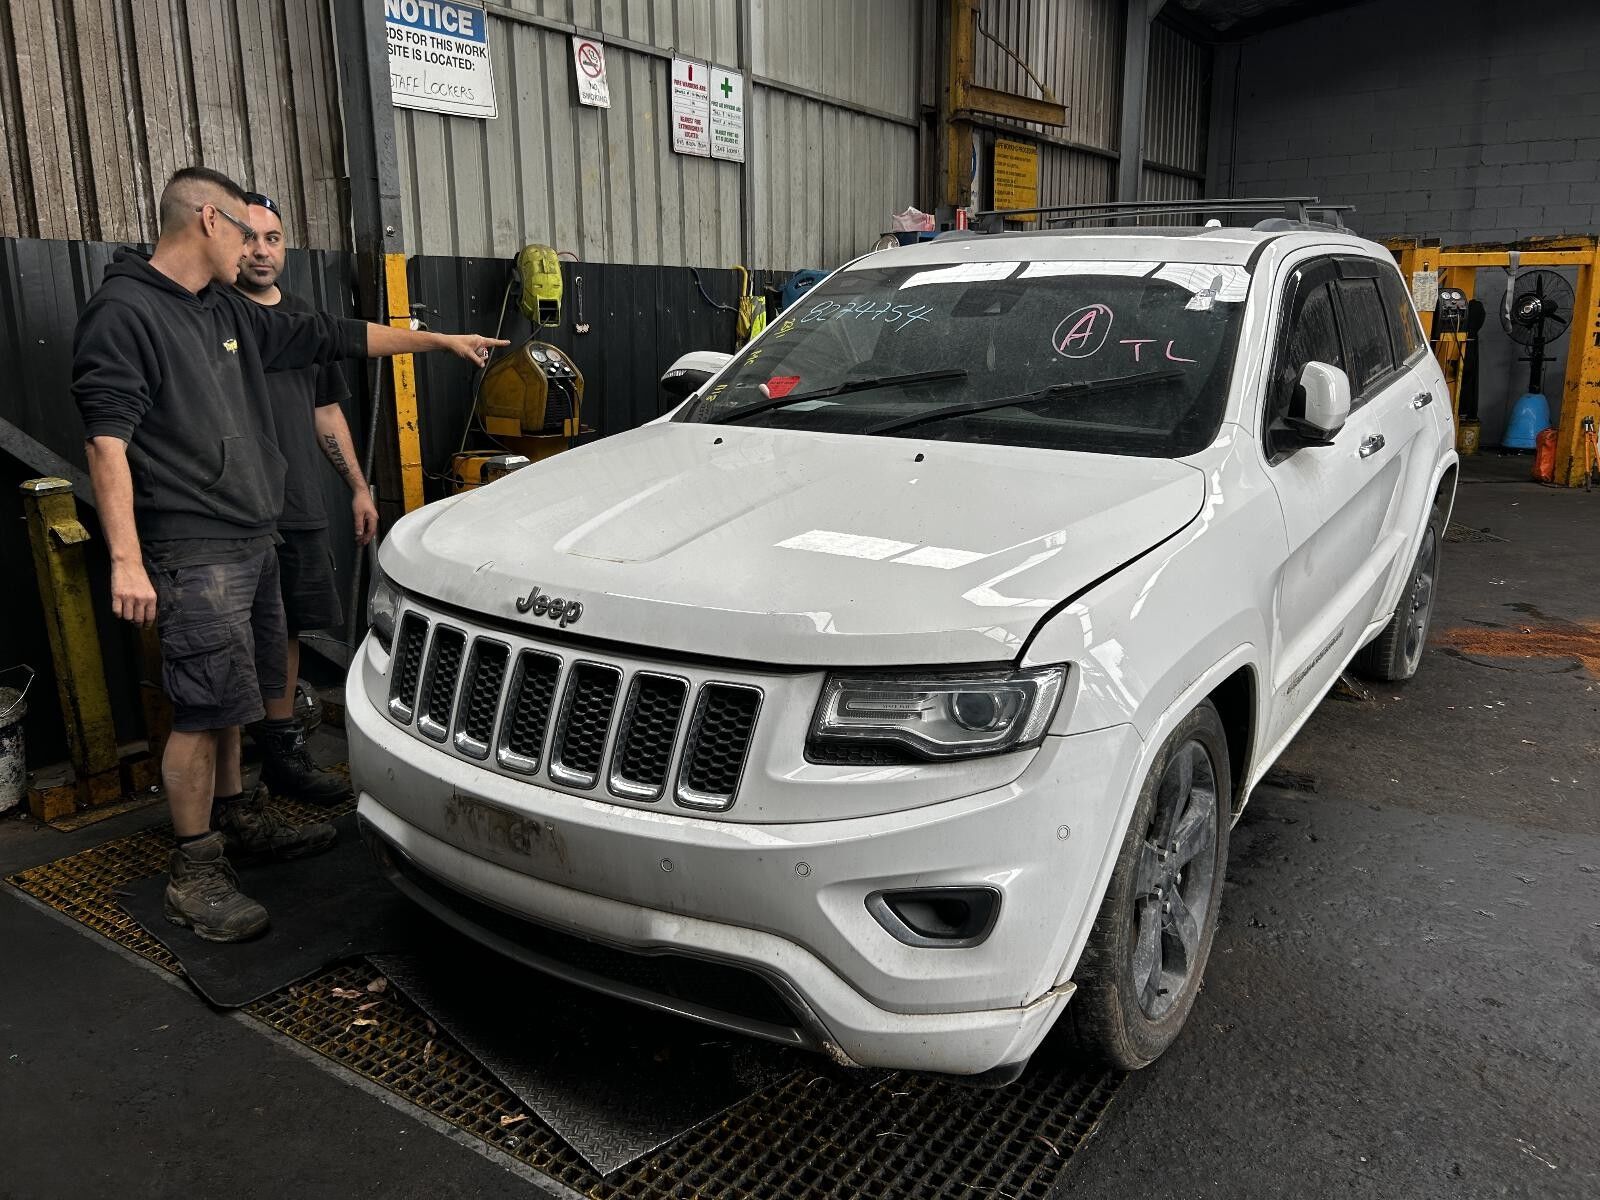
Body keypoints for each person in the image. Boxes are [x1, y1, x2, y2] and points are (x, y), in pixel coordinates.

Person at [72, 166, 505, 944]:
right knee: (204, 709)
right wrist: (127, 560)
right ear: (209, 220)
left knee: (239, 696)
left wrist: (437, 340)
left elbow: (331, 336)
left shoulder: (222, 309)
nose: (253, 247)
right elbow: (107, 443)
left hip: (253, 533)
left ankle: (237, 817)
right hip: (192, 542)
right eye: (246, 230)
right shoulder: (126, 313)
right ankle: (194, 869)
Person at [234, 190, 371, 804]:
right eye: (249, 237)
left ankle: (283, 757)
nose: (262, 251)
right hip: (235, 510)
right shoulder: (214, 315)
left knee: (287, 627)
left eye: (273, 238)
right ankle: (231, 777)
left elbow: (325, 411)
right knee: (233, 634)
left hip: (298, 505)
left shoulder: (305, 319)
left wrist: (359, 488)